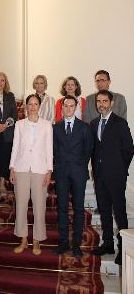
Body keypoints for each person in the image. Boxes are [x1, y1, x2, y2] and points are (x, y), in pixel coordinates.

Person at [91, 90, 134, 265]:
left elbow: (129, 149)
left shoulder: (120, 123)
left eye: (104, 101)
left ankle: (123, 247)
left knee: (120, 212)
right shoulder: (93, 124)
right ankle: (108, 243)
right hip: (99, 175)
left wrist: (121, 169)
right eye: (99, 101)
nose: (101, 104)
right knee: (104, 211)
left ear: (111, 102)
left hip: (116, 176)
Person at [9, 94, 53, 255]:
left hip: (40, 169)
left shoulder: (47, 125)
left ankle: (36, 240)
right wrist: (12, 167)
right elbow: (15, 147)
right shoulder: (20, 125)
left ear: (39, 106)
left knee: (39, 206)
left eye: (35, 104)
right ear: (26, 106)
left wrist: (49, 170)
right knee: (20, 205)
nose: (33, 106)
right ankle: (23, 239)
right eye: (30, 104)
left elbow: (49, 149)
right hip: (21, 168)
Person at [53, 95, 93, 256]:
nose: (68, 109)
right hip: (61, 173)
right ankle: (64, 242)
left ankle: (76, 245)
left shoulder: (84, 127)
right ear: (62, 108)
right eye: (66, 106)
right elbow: (54, 150)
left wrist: (78, 165)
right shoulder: (56, 127)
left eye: (71, 106)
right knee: (61, 208)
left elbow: (88, 150)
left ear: (75, 108)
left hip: (78, 173)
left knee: (78, 209)